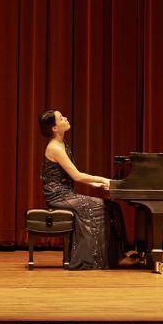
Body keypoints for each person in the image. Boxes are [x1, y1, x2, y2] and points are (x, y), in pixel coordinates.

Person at [38, 109, 127, 270]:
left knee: (112, 206)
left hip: (66, 193)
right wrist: (104, 180)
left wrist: (99, 184)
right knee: (100, 206)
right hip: (58, 196)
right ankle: (93, 259)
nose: (65, 118)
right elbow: (77, 176)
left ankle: (113, 257)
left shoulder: (62, 144)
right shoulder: (55, 148)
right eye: (61, 118)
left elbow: (73, 177)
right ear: (54, 128)